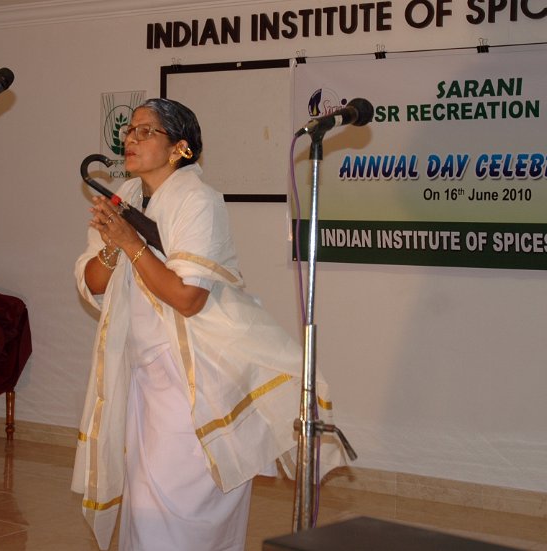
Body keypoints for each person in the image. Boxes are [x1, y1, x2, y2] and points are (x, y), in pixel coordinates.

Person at [71, 98, 344, 551]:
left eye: (145, 131)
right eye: (129, 131)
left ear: (180, 148)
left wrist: (130, 242)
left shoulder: (199, 200)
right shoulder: (127, 197)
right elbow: (93, 282)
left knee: (179, 518)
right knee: (144, 513)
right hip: (144, 377)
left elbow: (188, 298)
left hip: (194, 380)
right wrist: (114, 245)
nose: (130, 139)